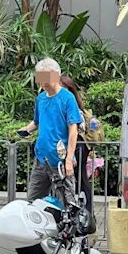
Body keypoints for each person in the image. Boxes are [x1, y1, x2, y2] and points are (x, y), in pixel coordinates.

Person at [18, 58, 82, 203]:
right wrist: (26, 130)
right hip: (41, 158)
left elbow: (73, 130)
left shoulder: (67, 98)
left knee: (67, 202)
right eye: (39, 77)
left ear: (55, 75)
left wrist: (69, 160)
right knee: (33, 201)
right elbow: (37, 122)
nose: (41, 81)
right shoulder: (41, 99)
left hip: (60, 160)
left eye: (44, 76)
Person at [60, 75, 95, 214]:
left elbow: (77, 128)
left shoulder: (71, 104)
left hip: (78, 146)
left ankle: (87, 211)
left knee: (80, 178)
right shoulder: (67, 102)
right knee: (73, 178)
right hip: (72, 146)